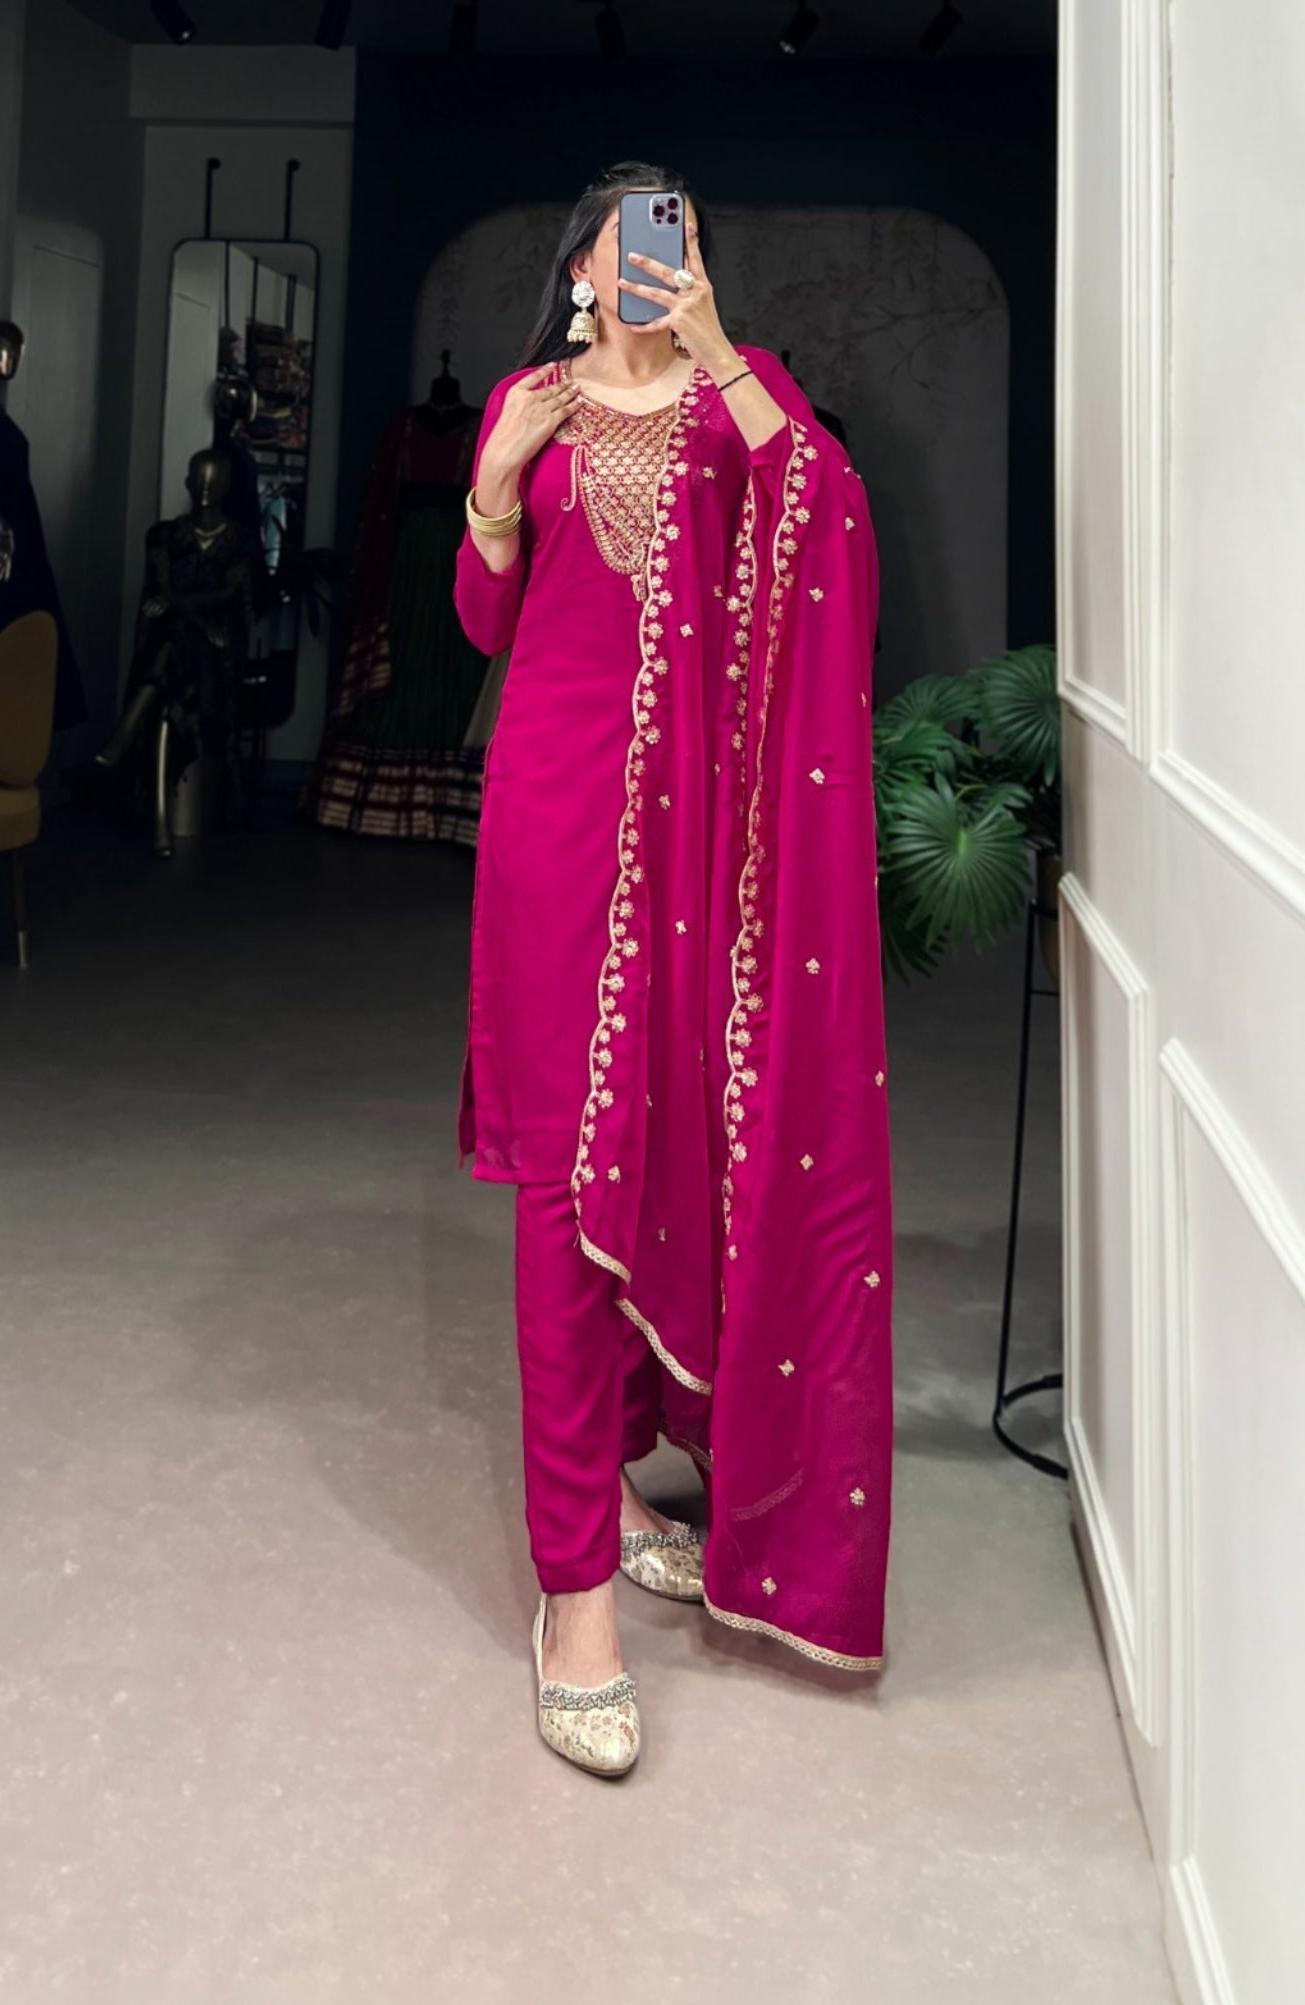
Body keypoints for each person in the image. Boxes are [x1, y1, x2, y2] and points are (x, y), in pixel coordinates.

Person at [453, 163, 893, 1778]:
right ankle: (573, 1594)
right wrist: (495, 485)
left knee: (684, 1151)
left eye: (682, 237)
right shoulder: (530, 404)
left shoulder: (738, 398)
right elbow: (483, 622)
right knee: (564, 1181)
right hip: (556, 830)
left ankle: (631, 1485)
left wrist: (716, 352)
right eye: (634, 236)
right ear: (579, 263)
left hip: (707, 853)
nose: (656, 258)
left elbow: (827, 524)